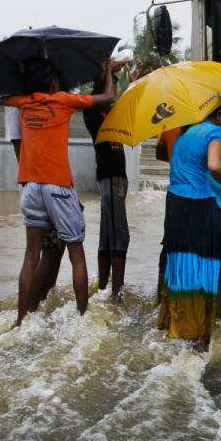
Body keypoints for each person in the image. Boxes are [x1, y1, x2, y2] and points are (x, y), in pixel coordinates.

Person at [0, 57, 116, 327]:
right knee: (76, 253)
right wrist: (108, 70)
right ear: (54, 83)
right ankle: (83, 318)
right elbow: (108, 96)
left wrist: (25, 90)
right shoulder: (63, 100)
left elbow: (1, 100)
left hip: (29, 186)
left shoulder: (22, 103)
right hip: (58, 187)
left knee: (31, 257)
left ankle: (20, 319)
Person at [157, 103, 221, 351]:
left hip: (175, 204)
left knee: (180, 264)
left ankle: (176, 326)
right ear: (218, 114)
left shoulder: (184, 134)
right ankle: (199, 337)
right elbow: (215, 166)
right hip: (200, 205)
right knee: (202, 266)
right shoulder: (215, 133)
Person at [5, 104, 64, 308]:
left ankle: (39, 304)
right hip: (41, 185)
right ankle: (32, 307)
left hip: (38, 185)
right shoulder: (21, 106)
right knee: (47, 250)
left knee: (49, 249)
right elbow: (19, 147)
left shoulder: (26, 102)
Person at [83, 67, 128, 303]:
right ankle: (115, 295)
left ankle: (103, 290)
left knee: (109, 234)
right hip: (109, 177)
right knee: (119, 235)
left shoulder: (111, 112)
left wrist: (134, 81)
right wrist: (107, 71)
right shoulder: (92, 110)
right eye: (113, 83)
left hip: (117, 178)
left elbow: (129, 107)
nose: (115, 88)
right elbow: (108, 95)